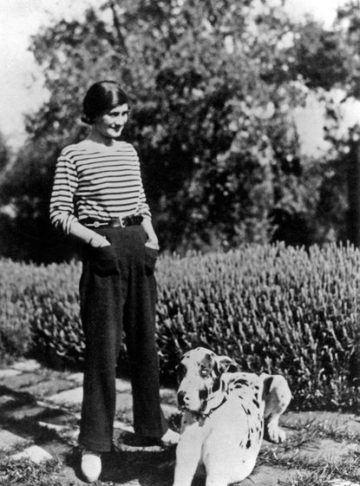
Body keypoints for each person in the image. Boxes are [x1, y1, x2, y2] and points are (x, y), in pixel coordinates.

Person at [49, 80, 179, 483]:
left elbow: (140, 204)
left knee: (145, 343)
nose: (120, 122)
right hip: (102, 251)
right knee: (102, 352)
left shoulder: (129, 152)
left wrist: (152, 237)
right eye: (112, 115)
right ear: (93, 114)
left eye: (124, 114)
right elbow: (59, 213)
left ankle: (150, 429)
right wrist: (96, 241)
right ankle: (93, 443)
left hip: (138, 248)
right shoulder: (73, 155)